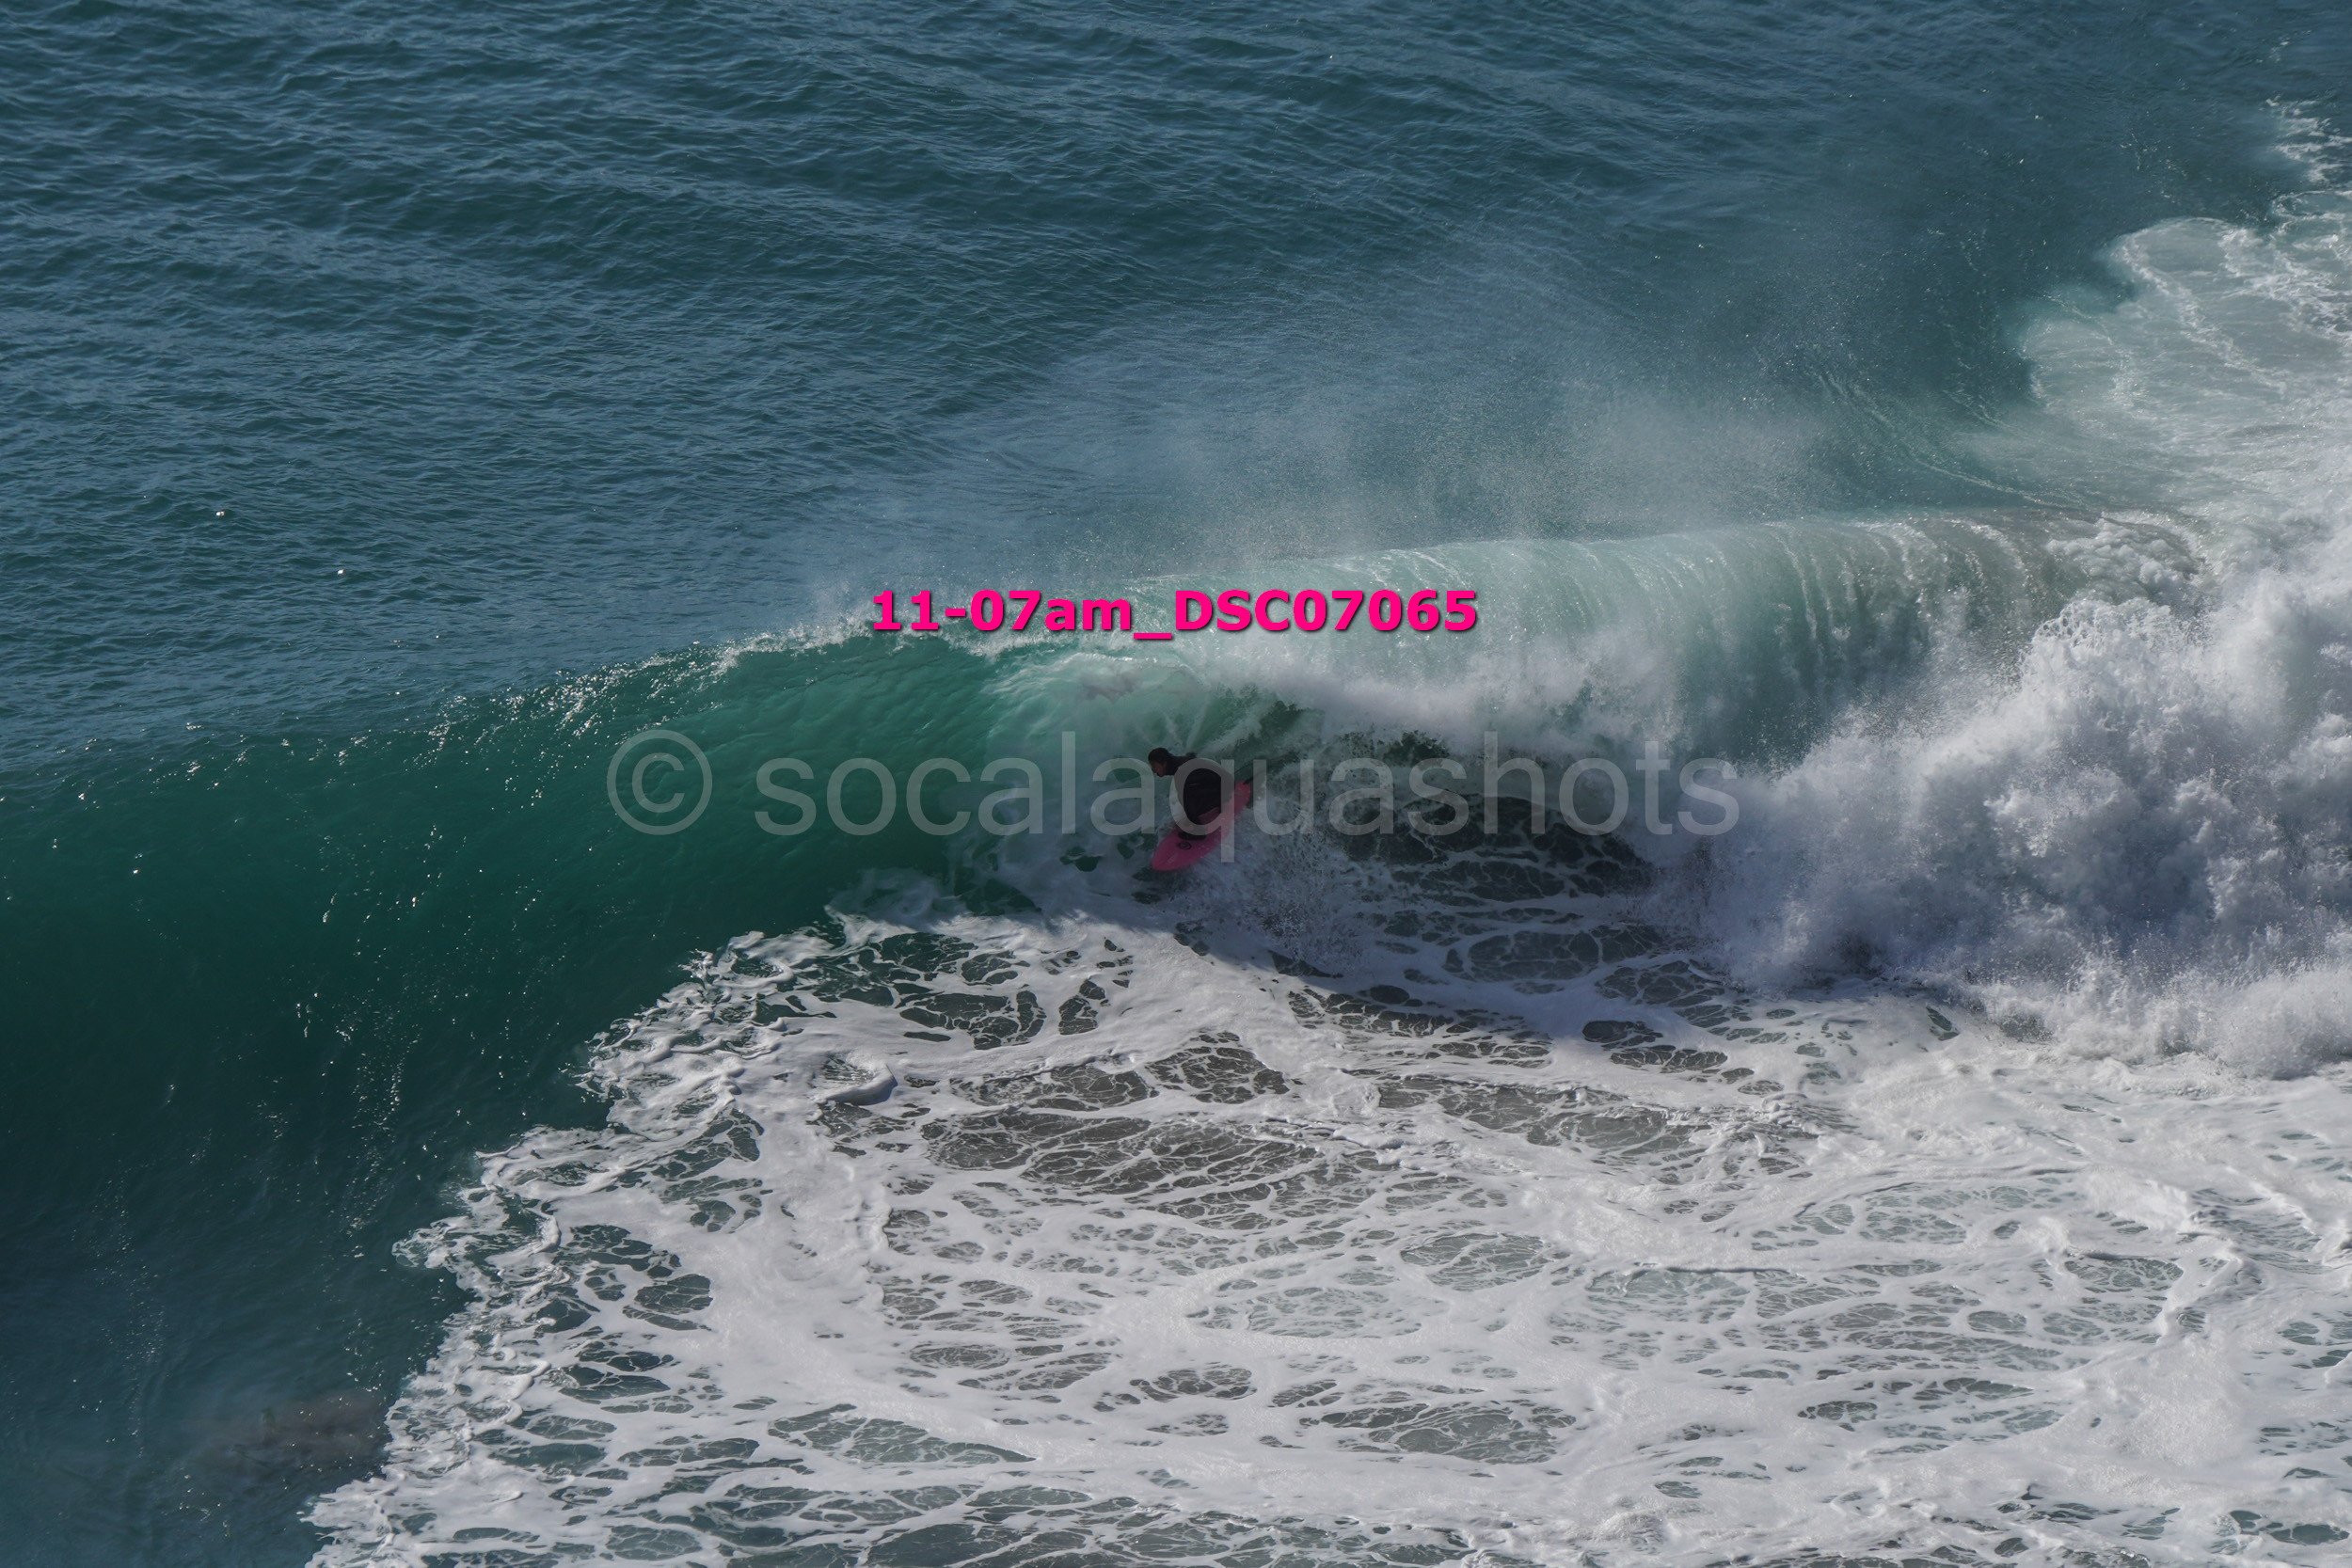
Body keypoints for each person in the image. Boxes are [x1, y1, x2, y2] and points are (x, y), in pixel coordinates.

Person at [1148, 748, 1232, 838]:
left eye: (1154, 765)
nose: (1153, 770)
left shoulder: (1180, 773)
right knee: (1186, 795)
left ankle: (1198, 833)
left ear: (1164, 763)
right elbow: (1192, 755)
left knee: (1184, 798)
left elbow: (1187, 800)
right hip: (1226, 782)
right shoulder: (1181, 761)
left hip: (1226, 790)